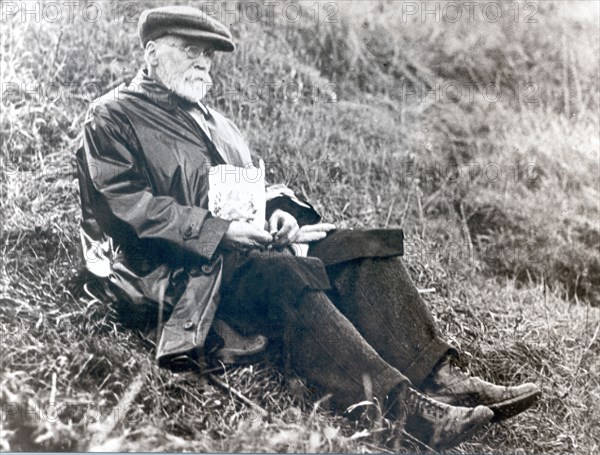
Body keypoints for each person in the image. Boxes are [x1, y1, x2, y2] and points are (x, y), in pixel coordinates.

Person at [75, 5, 541, 451]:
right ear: (151, 52)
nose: (202, 63)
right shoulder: (112, 116)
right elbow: (123, 207)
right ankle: (404, 414)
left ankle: (442, 380)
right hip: (177, 278)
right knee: (286, 276)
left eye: (208, 54)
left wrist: (279, 216)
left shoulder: (219, 125)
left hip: (241, 255)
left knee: (362, 246)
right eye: (187, 49)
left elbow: (251, 192)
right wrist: (218, 231)